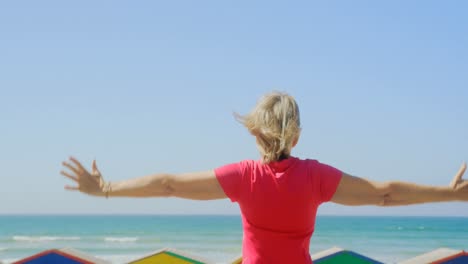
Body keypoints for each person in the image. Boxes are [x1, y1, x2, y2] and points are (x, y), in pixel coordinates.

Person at [61, 91, 467, 264]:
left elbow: (168, 183)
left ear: (256, 133)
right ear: (298, 135)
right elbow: (384, 195)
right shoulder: (315, 177)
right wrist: (453, 195)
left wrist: (108, 189)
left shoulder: (243, 177)